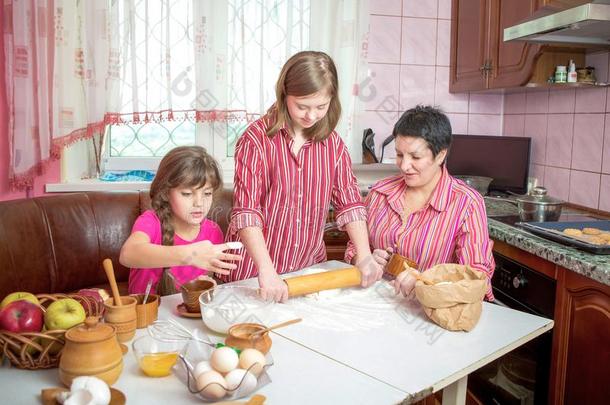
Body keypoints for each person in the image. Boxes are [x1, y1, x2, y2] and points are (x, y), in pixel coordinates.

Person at [224, 50, 383, 302]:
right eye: (302, 106)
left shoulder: (333, 145)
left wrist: (364, 255)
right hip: (255, 274)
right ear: (284, 94)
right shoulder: (255, 139)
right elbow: (247, 212)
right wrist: (267, 270)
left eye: (321, 106)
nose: (311, 116)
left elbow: (350, 204)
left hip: (306, 272)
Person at [345, 105, 495, 300]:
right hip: (377, 305)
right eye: (399, 155)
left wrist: (425, 282)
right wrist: (365, 259)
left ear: (441, 155)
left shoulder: (467, 203)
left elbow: (476, 276)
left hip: (428, 314)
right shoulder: (380, 192)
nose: (405, 166)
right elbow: (353, 247)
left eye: (415, 157)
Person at [120, 146, 241, 295]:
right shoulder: (150, 222)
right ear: (165, 193)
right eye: (187, 193)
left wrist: (209, 284)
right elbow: (127, 254)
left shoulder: (213, 231)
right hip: (146, 314)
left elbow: (206, 281)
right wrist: (189, 255)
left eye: (207, 193)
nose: (199, 203)